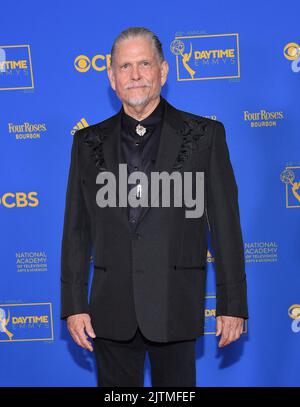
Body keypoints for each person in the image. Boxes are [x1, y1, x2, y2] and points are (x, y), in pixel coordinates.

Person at [60, 26, 249, 387]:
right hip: (110, 309)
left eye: (144, 64)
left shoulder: (204, 137)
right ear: (111, 77)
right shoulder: (87, 142)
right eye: (125, 66)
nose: (135, 75)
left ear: (163, 71)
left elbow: (226, 226)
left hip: (175, 303)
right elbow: (76, 229)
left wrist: (233, 304)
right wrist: (73, 303)